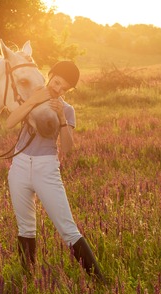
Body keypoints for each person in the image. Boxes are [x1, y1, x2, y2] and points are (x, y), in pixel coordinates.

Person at [6, 61, 105, 282]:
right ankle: (27, 280)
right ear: (50, 75)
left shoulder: (67, 109)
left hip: (46, 167)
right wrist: (33, 101)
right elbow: (9, 122)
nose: (58, 89)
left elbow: (68, 149)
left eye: (64, 88)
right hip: (19, 165)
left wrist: (61, 118)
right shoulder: (33, 98)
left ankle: (100, 282)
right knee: (25, 227)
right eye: (57, 82)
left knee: (68, 228)